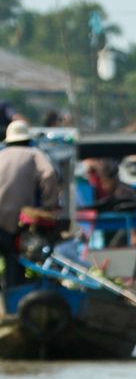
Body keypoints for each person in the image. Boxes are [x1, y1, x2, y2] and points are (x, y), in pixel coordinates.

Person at [0, 120, 60, 288]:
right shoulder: (34, 154)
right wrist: (49, 205)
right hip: (16, 220)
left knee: (8, 255)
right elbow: (48, 174)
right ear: (28, 139)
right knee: (15, 256)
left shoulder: (1, 154)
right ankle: (14, 298)